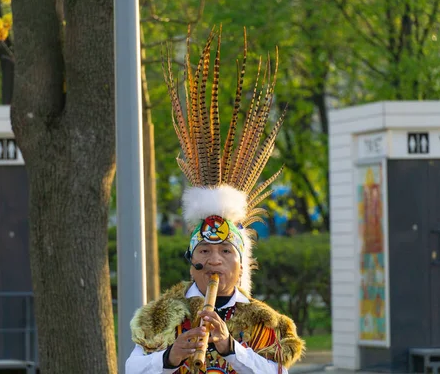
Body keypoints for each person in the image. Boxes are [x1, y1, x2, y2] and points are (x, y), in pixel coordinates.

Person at [125, 28, 305, 374]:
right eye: (204, 252)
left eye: (225, 252)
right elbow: (131, 369)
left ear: (241, 264)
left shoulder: (266, 322)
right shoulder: (160, 315)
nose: (214, 262)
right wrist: (170, 356)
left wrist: (229, 347)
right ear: (192, 261)